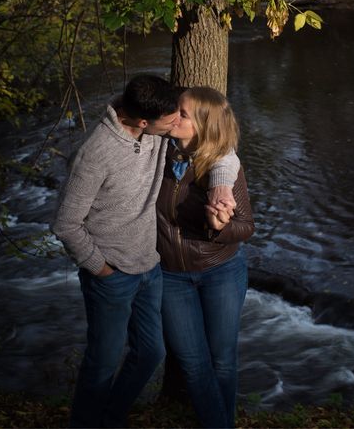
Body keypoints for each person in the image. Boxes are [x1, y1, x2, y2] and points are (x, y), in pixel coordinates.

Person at [51, 75, 239, 428]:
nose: (175, 124)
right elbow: (65, 224)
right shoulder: (94, 154)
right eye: (170, 120)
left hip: (150, 269)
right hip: (111, 276)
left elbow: (219, 147)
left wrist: (222, 187)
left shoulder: (155, 130)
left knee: (151, 352)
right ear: (142, 122)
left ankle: (111, 418)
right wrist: (101, 268)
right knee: (102, 363)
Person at [156, 87, 255, 428]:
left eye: (183, 114)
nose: (174, 116)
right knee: (192, 363)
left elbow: (245, 227)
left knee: (222, 361)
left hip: (221, 272)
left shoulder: (221, 167)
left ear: (203, 126)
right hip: (169, 276)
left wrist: (217, 227)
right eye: (176, 109)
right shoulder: (158, 153)